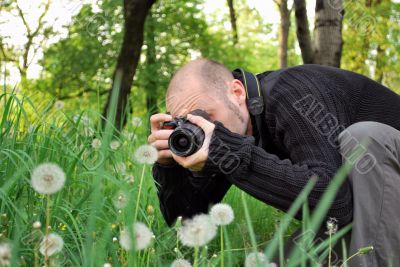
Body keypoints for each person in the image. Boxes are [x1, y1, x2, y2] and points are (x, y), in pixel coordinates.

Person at [147, 59, 400, 266]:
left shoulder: (294, 92)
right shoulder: (229, 129)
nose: (203, 127)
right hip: (370, 213)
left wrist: (230, 154)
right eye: (188, 122)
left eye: (206, 116)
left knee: (366, 137)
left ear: (236, 92)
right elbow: (186, 221)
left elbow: (335, 204)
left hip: (385, 187)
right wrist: (169, 168)